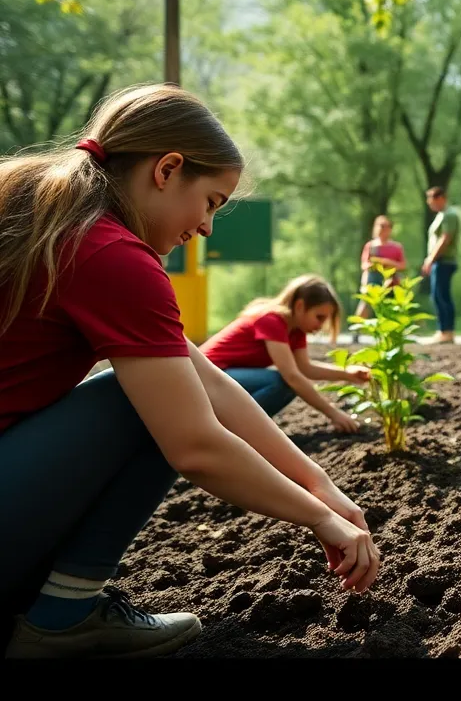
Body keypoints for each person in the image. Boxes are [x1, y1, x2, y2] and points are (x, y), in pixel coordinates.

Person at [0, 85, 378, 659]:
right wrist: (322, 520)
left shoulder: (43, 209)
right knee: (141, 403)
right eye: (212, 202)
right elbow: (195, 444)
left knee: (162, 388)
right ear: (168, 169)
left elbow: (203, 375)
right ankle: (63, 615)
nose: (206, 227)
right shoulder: (112, 255)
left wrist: (316, 481)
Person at [201, 275, 370, 433]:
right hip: (204, 374)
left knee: (286, 384)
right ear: (299, 306)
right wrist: (333, 413)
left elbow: (305, 368)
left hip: (224, 375)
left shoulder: (296, 331)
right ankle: (234, 429)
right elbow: (292, 376)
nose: (321, 325)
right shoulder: (271, 320)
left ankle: (240, 428)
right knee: (281, 382)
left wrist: (348, 374)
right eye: (319, 317)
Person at [354, 215, 406, 341]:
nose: (383, 229)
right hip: (373, 280)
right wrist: (374, 264)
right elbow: (364, 264)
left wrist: (386, 262)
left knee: (390, 307)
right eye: (380, 226)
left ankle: (392, 334)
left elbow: (403, 265)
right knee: (365, 304)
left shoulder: (396, 247)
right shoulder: (371, 246)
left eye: (386, 227)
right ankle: (356, 331)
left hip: (391, 281)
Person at [421, 186, 459, 344]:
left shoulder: (449, 215)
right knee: (438, 296)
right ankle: (443, 330)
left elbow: (445, 238)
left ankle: (446, 331)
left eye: (432, 201)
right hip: (439, 262)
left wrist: (431, 258)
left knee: (441, 296)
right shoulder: (441, 215)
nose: (431, 205)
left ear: (441, 198)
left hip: (444, 261)